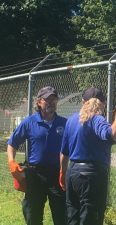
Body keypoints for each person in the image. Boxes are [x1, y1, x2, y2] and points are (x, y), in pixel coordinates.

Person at [59, 87, 116, 225]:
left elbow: (64, 153)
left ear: (83, 101)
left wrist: (62, 172)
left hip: (73, 174)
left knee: (73, 215)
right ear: (102, 103)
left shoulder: (71, 120)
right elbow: (111, 135)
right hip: (92, 176)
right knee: (91, 217)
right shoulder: (96, 119)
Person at [7, 86, 67, 225]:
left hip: (57, 174)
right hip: (35, 174)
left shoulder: (64, 123)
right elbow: (12, 143)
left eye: (54, 100)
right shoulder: (29, 122)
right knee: (32, 214)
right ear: (39, 102)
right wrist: (11, 162)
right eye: (47, 100)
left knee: (62, 215)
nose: (51, 103)